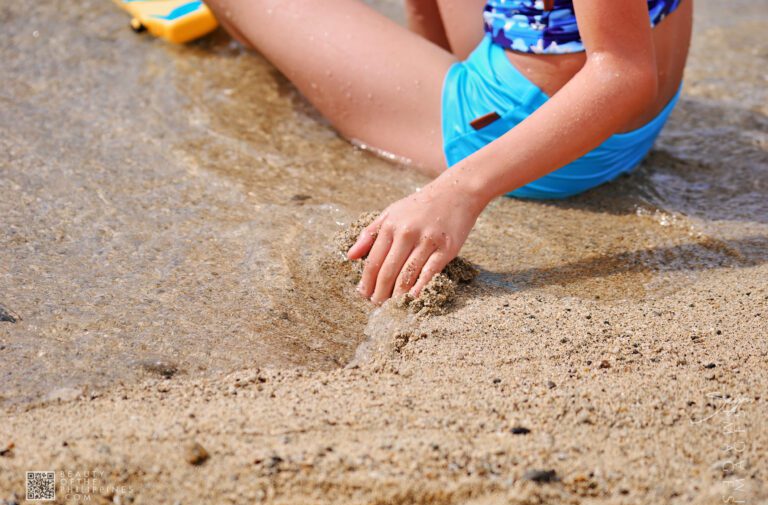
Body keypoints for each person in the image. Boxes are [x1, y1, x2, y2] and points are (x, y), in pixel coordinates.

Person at [203, 0, 693, 304]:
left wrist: (458, 191)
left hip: (540, 129)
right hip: (629, 117)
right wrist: (420, 65)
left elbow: (622, 74)